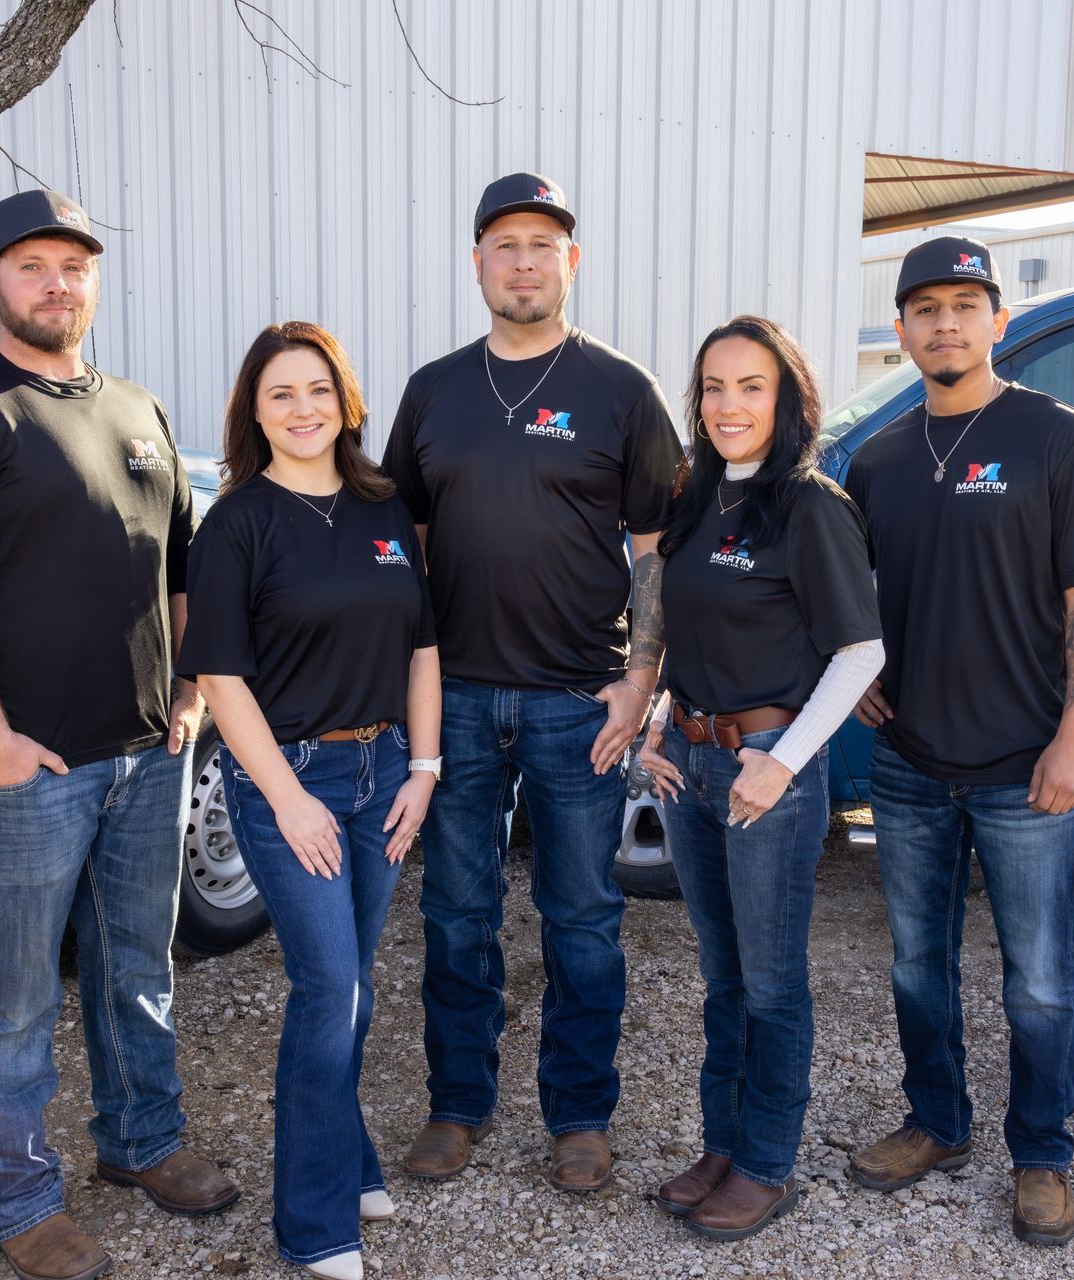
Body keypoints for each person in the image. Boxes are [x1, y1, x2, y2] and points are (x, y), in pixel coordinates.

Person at [0, 189, 236, 1280]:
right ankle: (19, 1194)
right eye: (31, 265)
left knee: (137, 967)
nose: (56, 283)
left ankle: (142, 1143)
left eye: (74, 266)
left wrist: (190, 694)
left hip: (145, 755)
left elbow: (183, 565)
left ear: (94, 281)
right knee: (16, 989)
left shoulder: (136, 407)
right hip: (25, 769)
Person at [381, 172, 682, 1192]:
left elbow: (657, 548)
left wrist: (643, 676)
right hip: (456, 697)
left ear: (572, 261)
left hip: (575, 702)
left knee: (583, 916)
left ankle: (580, 1113)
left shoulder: (621, 390)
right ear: (477, 262)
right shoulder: (433, 390)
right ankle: (457, 1104)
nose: (522, 261)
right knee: (457, 912)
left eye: (542, 244)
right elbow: (403, 546)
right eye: (504, 244)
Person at [841, 235, 1074, 1247]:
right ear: (902, 331)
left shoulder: (1058, 437)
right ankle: (937, 1121)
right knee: (919, 964)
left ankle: (1042, 1154)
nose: (945, 323)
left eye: (965, 305)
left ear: (997, 321)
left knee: (1040, 977)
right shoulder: (877, 462)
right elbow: (854, 595)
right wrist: (865, 677)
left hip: (1027, 768)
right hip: (911, 763)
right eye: (924, 308)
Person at [180, 322, 442, 1280]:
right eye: (281, 393)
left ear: (347, 401)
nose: (303, 409)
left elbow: (421, 645)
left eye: (318, 390)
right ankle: (315, 1223)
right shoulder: (239, 522)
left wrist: (424, 770)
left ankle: (352, 1157)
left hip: (383, 778)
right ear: (254, 409)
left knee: (356, 984)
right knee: (327, 986)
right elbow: (220, 672)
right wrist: (286, 797)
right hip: (289, 780)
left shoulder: (383, 507)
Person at [636, 316, 883, 1240]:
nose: (729, 404)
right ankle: (722, 1145)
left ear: (785, 399)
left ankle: (768, 1162)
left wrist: (784, 761)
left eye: (751, 386)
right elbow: (686, 629)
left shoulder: (809, 504)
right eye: (713, 387)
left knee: (773, 982)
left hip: (763, 772)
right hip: (694, 762)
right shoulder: (697, 499)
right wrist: (663, 718)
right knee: (723, 977)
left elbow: (861, 651)